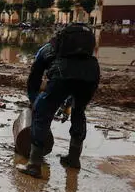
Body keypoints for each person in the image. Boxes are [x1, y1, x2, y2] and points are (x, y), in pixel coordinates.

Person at [18, 22, 100, 178]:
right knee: (79, 111)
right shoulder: (83, 51)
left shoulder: (44, 51)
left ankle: (34, 164)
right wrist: (68, 104)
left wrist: (34, 101)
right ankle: (73, 159)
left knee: (43, 112)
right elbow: (77, 78)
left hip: (63, 75)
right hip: (91, 75)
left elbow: (34, 81)